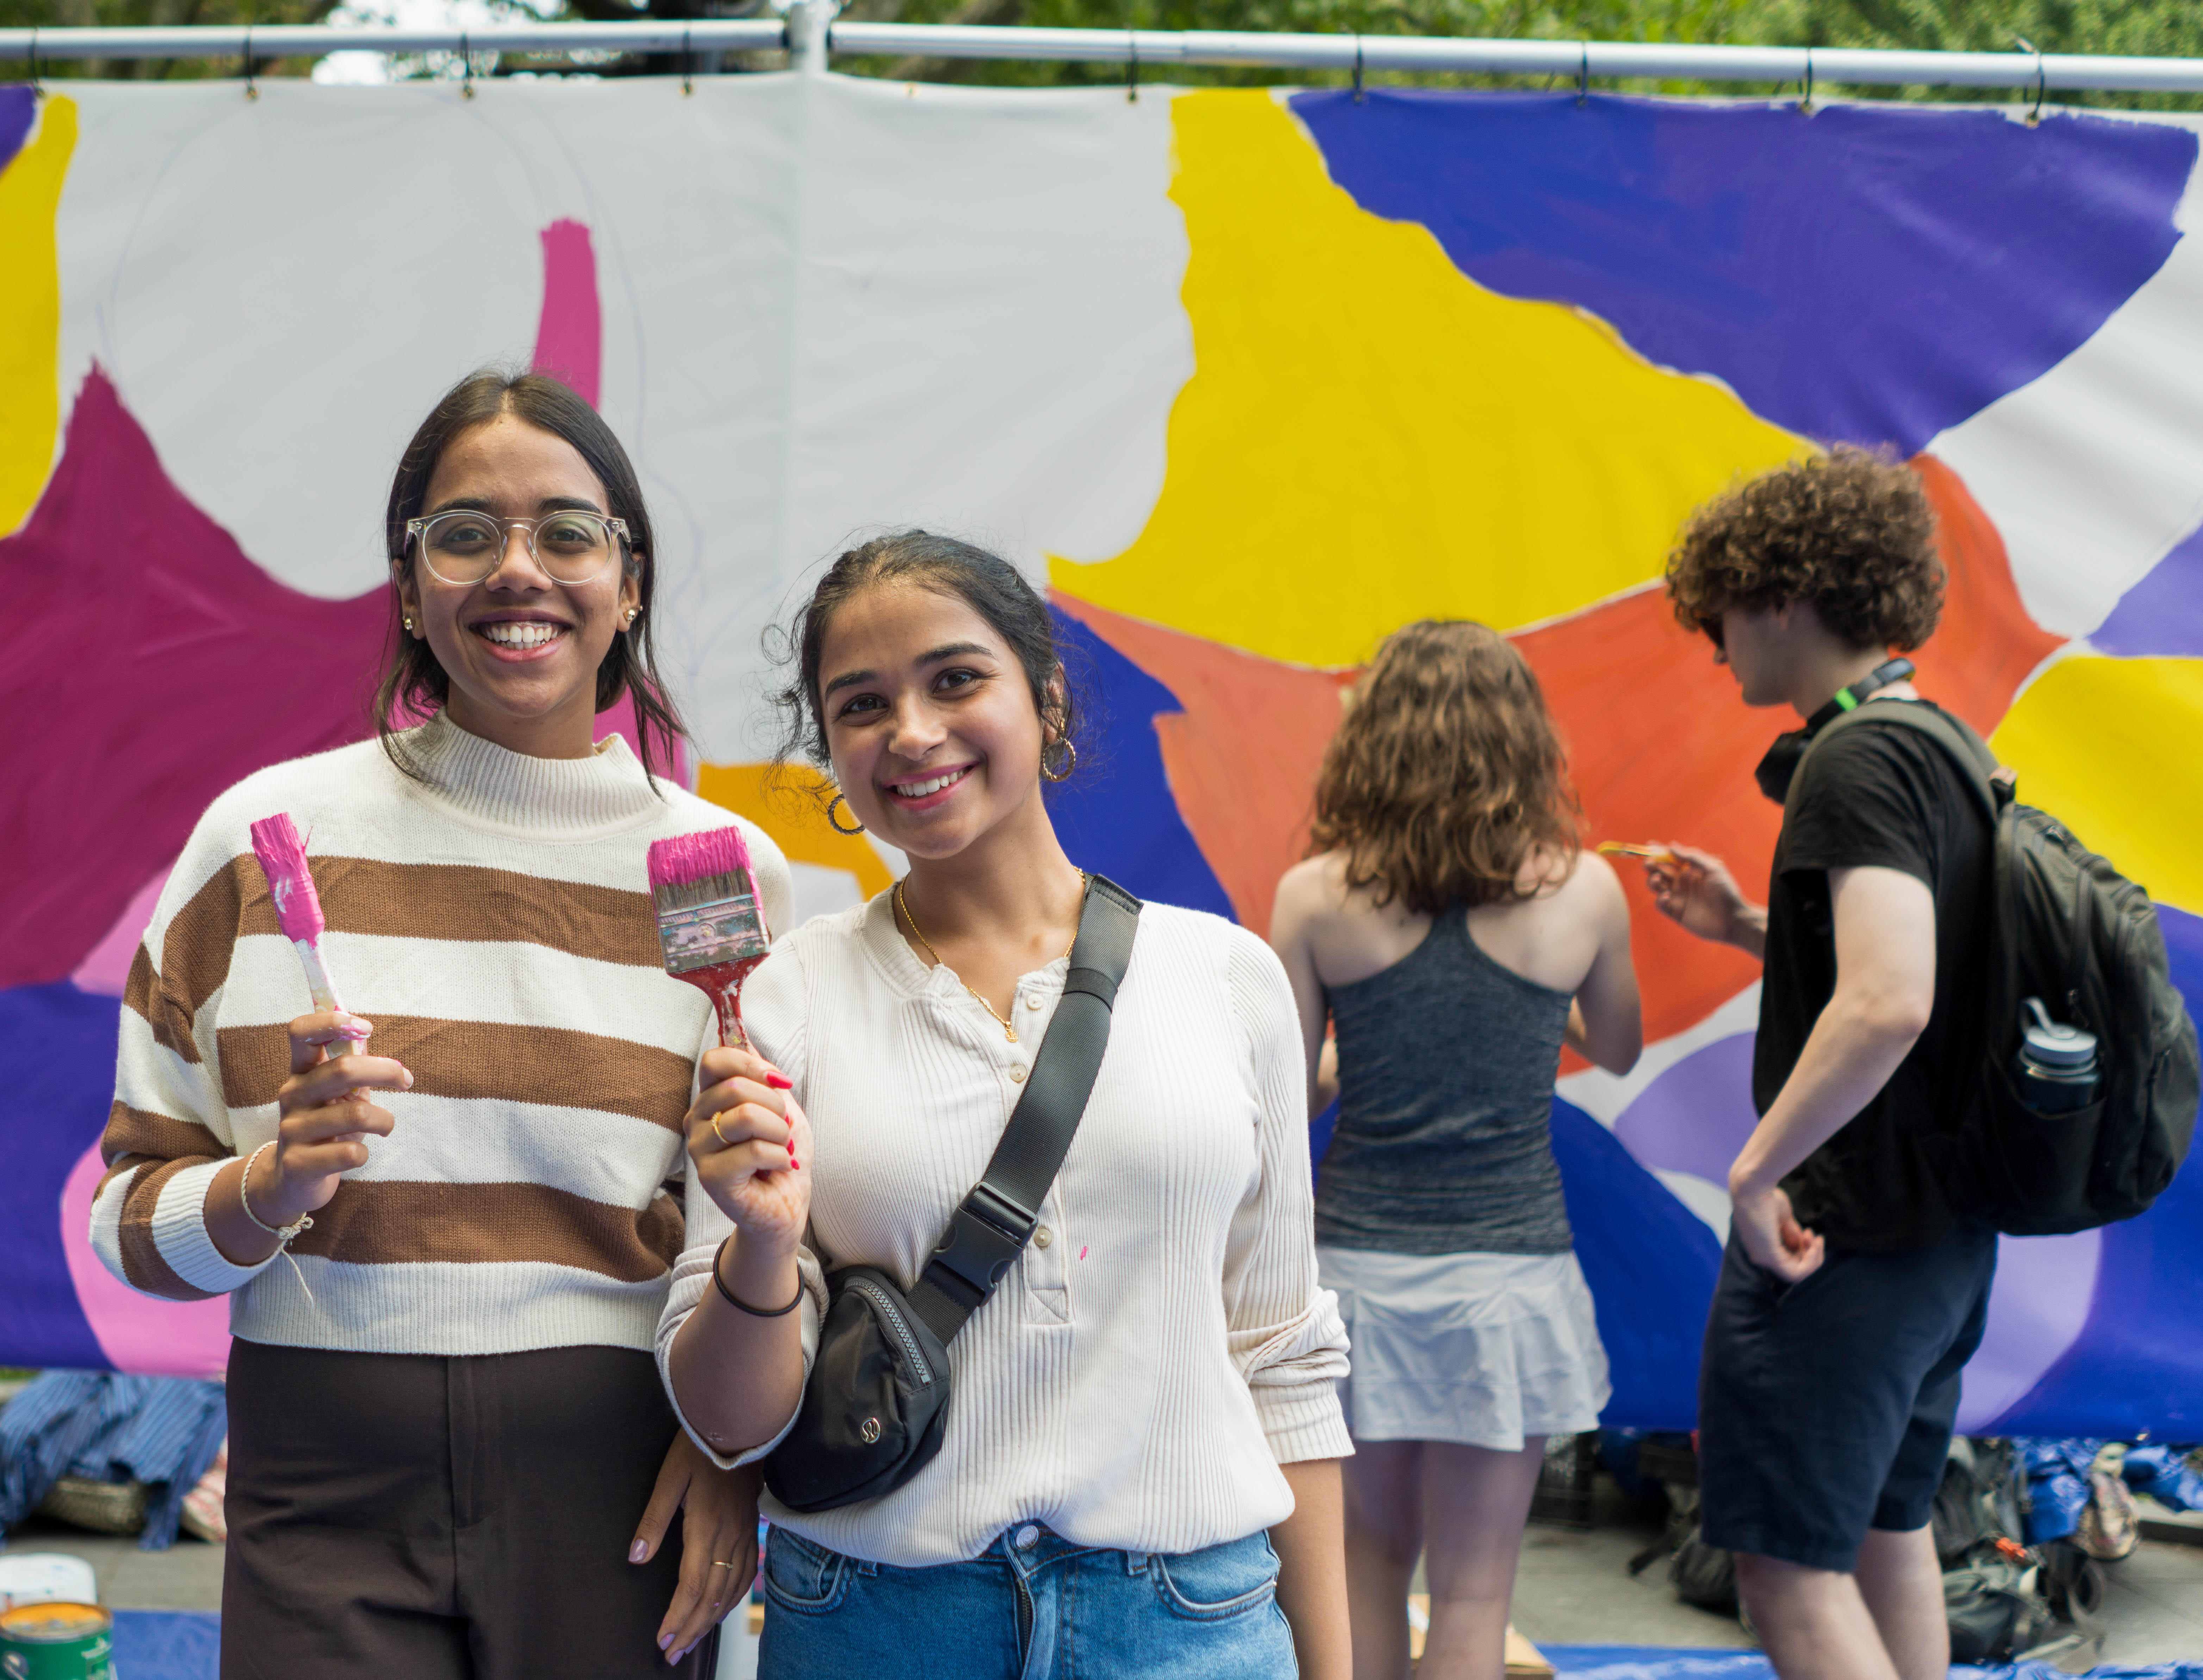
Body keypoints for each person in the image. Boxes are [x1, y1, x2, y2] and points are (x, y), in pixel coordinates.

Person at [85, 369, 792, 1677]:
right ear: (410, 586)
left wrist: (727, 1460)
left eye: (568, 534)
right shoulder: (261, 842)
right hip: (319, 1481)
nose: (518, 570)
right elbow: (128, 1228)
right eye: (464, 534)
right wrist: (266, 1186)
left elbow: (761, 1230)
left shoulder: (724, 873)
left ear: (628, 583)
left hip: (621, 1483)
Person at [661, 531, 1353, 1680]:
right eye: (862, 704)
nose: (913, 733)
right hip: (879, 1628)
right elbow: (732, 1424)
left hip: (1190, 1627)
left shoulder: (1227, 979)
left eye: (956, 679)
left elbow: (1281, 1352)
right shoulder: (782, 1001)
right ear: (829, 749)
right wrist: (764, 1242)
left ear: (1047, 693)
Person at [1640, 448, 1986, 1680]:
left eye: (1721, 612)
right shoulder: (1942, 744)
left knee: (1786, 1567)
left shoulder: (1854, 761)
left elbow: (1890, 1001)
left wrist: (1753, 1170)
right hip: (1940, 1237)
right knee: (1888, 1530)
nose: (1715, 642)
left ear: (1783, 596)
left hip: (1840, 1237)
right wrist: (1747, 928)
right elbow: (1915, 974)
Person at [1265, 619, 1643, 1680]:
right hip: (1509, 1282)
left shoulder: (1314, 897)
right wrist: (1527, 1017)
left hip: (1356, 1279)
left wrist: (1370, 1058)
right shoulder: (1586, 892)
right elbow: (1614, 1047)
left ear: (1373, 740)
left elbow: (1285, 1099)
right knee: (1477, 1592)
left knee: (1367, 1565)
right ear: (1524, 742)